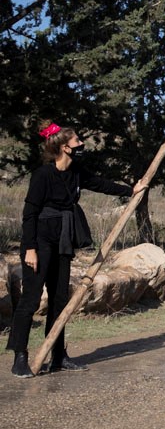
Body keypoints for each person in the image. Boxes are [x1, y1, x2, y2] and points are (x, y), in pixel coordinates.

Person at [8, 121, 142, 378]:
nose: (82, 145)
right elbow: (29, 214)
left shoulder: (77, 172)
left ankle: (58, 356)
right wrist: (30, 249)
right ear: (64, 147)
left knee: (59, 300)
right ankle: (20, 356)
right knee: (30, 300)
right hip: (41, 240)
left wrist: (130, 190)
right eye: (77, 142)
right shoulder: (43, 175)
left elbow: (102, 184)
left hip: (64, 241)